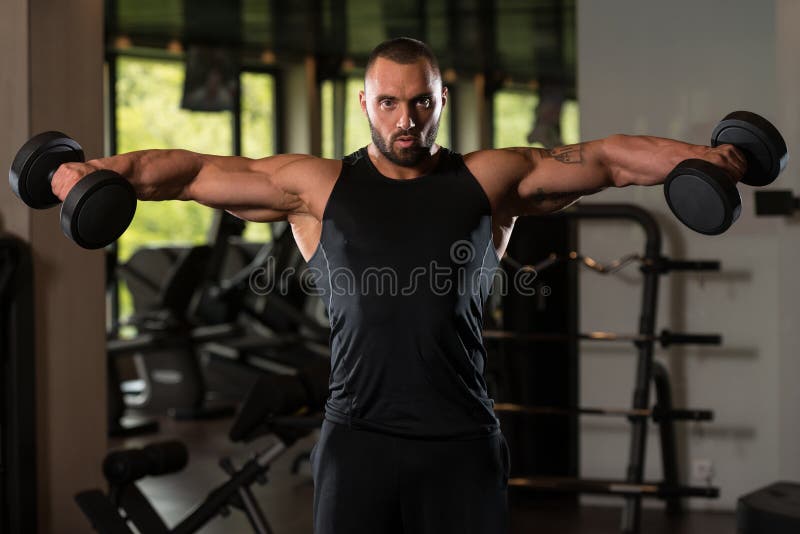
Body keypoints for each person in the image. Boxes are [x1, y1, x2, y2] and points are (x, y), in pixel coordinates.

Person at [51, 37, 745, 534]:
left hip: (463, 441)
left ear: (441, 100)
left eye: (420, 103)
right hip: (358, 442)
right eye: (388, 103)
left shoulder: (489, 179)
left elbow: (606, 160)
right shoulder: (317, 187)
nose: (405, 120)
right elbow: (186, 173)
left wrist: (711, 158)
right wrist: (82, 174)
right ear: (364, 102)